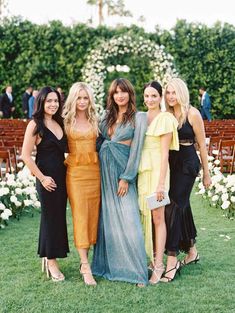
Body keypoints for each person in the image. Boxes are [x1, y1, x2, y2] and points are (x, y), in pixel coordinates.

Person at [91, 78, 148, 286]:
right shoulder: (106, 117)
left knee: (129, 219)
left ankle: (137, 271)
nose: (120, 96)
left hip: (124, 171)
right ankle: (107, 266)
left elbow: (137, 149)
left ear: (130, 93)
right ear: (112, 95)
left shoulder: (139, 117)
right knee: (107, 219)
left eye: (123, 91)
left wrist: (127, 177)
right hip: (105, 172)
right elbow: (98, 142)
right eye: (116, 92)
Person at [161, 78, 211, 282]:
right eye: (168, 93)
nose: (171, 96)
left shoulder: (192, 113)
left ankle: (171, 260)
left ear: (181, 92)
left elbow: (202, 145)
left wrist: (206, 173)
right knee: (182, 205)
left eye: (174, 92)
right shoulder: (167, 115)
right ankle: (192, 252)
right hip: (172, 161)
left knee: (173, 206)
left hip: (188, 163)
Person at [21, 86, 69, 282]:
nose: (53, 104)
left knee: (57, 218)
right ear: (41, 102)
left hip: (62, 178)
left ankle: (48, 255)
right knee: (50, 219)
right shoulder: (35, 124)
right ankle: (51, 261)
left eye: (56, 101)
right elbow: (25, 155)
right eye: (49, 101)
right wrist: (42, 178)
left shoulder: (60, 123)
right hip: (46, 179)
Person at [137, 81, 179, 284]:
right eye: (146, 96)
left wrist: (161, 184)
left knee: (158, 218)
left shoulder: (165, 119)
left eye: (154, 96)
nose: (150, 100)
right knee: (144, 215)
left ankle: (159, 265)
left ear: (160, 97)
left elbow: (164, 155)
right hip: (142, 173)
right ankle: (150, 260)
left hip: (158, 174)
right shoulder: (140, 118)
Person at [62, 82, 100, 286]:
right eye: (79, 98)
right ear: (73, 99)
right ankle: (85, 265)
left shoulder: (96, 120)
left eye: (86, 98)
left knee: (94, 216)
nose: (83, 102)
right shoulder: (65, 121)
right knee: (81, 216)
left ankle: (92, 259)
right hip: (75, 175)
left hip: (95, 173)